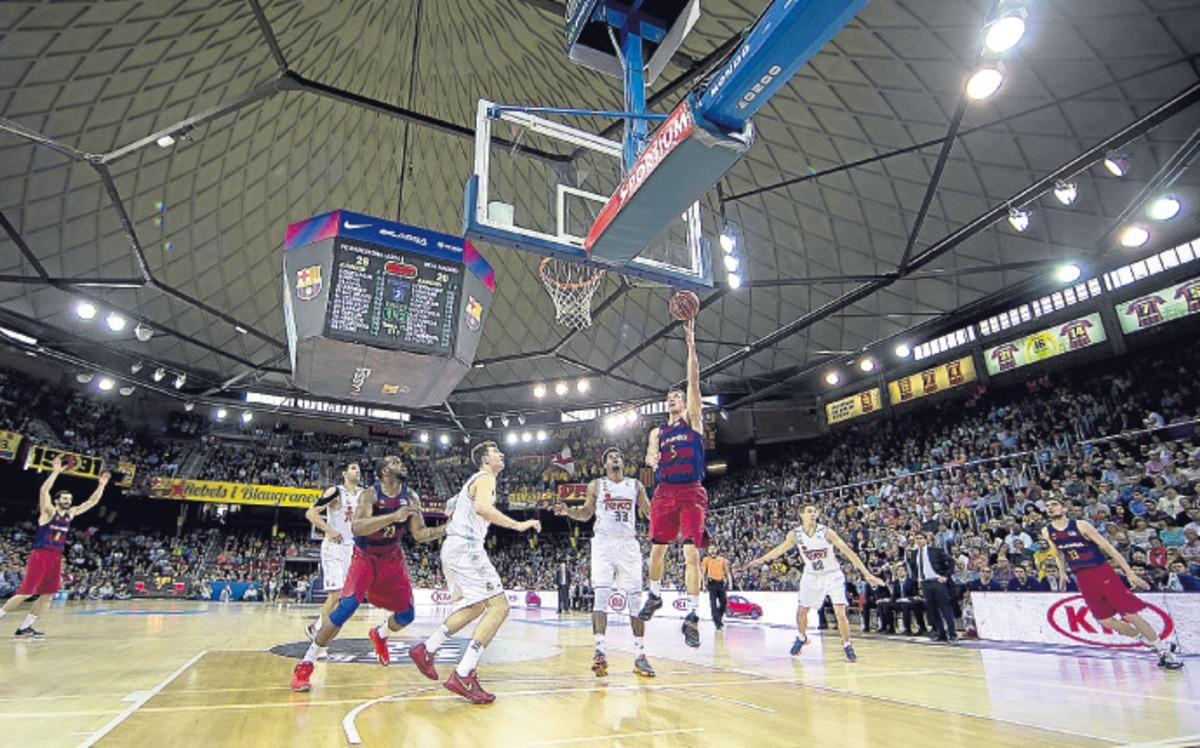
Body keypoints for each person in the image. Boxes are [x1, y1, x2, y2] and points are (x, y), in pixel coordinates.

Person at [291, 455, 445, 692]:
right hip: (364, 557)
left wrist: (446, 528)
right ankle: (306, 663)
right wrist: (394, 517)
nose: (401, 465)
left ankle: (380, 634)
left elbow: (419, 534)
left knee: (407, 615)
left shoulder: (411, 496)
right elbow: (357, 527)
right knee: (346, 605)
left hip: (392, 558)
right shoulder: (370, 495)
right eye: (395, 463)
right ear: (384, 471)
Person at [408, 441, 541, 703]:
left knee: (477, 607)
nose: (501, 455)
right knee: (500, 607)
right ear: (484, 459)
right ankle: (463, 673)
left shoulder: (472, 480)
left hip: (455, 547)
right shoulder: (486, 478)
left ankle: (427, 649)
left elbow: (450, 505)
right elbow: (482, 508)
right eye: (496, 453)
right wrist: (518, 525)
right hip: (467, 547)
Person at [1041, 496, 1182, 669]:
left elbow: (1109, 549)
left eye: (1054, 504)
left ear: (1064, 509)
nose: (1050, 507)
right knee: (1104, 620)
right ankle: (1150, 642)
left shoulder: (1081, 525)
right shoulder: (1047, 531)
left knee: (1129, 614)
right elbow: (1058, 554)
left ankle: (1165, 652)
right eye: (1047, 505)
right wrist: (1062, 573)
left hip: (1101, 571)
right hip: (1082, 576)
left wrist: (1129, 573)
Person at [637, 318, 709, 648]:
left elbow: (693, 380)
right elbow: (651, 454)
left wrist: (691, 342)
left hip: (691, 490)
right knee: (657, 551)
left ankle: (693, 616)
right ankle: (654, 595)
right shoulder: (658, 431)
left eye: (677, 396)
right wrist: (652, 458)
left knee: (691, 555)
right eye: (670, 397)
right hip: (664, 492)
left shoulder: (693, 420)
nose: (674, 399)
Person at [555, 447, 655, 678]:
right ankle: (599, 652)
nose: (616, 459)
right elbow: (587, 514)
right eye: (611, 457)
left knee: (635, 601)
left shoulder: (635, 485)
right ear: (605, 464)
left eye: (619, 456)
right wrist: (568, 511)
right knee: (600, 596)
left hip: (628, 545)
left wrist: (670, 517)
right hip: (603, 544)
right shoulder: (597, 485)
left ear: (623, 462)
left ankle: (640, 656)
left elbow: (650, 512)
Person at [742, 504, 883, 662]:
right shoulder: (795, 535)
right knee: (802, 611)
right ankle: (802, 637)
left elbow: (848, 552)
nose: (813, 514)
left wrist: (867, 573)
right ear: (801, 514)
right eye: (809, 511)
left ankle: (847, 645)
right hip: (811, 576)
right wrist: (761, 560)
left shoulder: (826, 532)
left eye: (815, 511)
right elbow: (779, 550)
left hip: (832, 574)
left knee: (840, 614)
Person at [0, 456, 109, 637]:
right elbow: (44, 492)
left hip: (56, 557)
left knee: (48, 594)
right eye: (64, 499)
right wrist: (55, 472)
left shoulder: (70, 514)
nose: (68, 501)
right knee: (26, 592)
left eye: (69, 499)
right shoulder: (48, 512)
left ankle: (25, 627)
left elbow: (91, 503)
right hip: (40, 554)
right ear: (57, 500)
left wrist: (102, 485)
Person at [303, 463, 362, 656]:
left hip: (351, 549)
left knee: (345, 599)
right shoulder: (336, 491)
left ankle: (318, 630)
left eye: (359, 468)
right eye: (353, 468)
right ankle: (319, 635)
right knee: (336, 594)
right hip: (334, 548)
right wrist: (330, 530)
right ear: (345, 473)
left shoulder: (363, 494)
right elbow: (311, 513)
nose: (357, 470)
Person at [907, 531, 958, 642]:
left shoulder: (935, 551)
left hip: (937, 582)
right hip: (925, 583)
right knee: (932, 610)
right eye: (917, 538)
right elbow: (914, 567)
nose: (919, 540)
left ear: (926, 540)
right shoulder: (914, 553)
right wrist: (918, 579)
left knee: (945, 608)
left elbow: (951, 562)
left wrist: (945, 576)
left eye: (921, 538)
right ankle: (941, 633)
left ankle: (952, 633)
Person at [876, 565, 925, 635]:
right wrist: (889, 600)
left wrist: (905, 599)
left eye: (902, 570)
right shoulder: (896, 582)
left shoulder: (912, 581)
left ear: (906, 572)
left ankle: (907, 629)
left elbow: (915, 595)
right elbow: (894, 596)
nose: (900, 572)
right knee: (884, 605)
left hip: (909, 602)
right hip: (899, 602)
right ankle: (890, 628)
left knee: (905, 605)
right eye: (898, 570)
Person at [701, 544, 733, 629]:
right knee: (713, 604)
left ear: (716, 549)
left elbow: (727, 572)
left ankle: (718, 617)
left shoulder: (722, 559)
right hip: (712, 583)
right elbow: (703, 573)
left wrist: (730, 583)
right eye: (710, 549)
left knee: (724, 602)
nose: (712, 550)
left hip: (721, 583)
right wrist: (703, 585)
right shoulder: (706, 560)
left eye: (713, 548)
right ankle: (717, 623)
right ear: (708, 550)